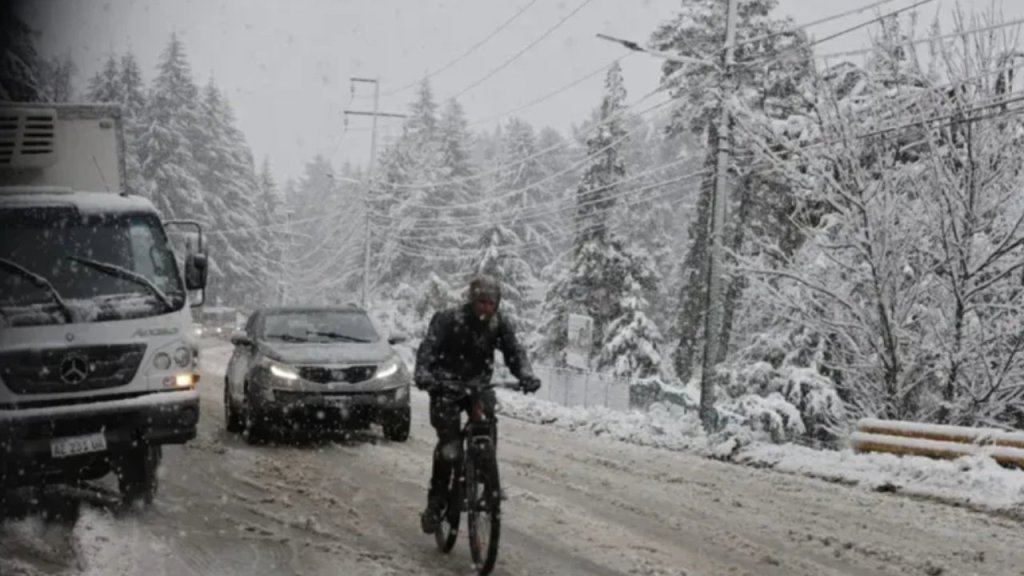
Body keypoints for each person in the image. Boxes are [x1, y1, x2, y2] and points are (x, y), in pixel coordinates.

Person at [414, 275, 541, 534]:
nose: (486, 308)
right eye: (481, 302)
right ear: (472, 300)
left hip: (478, 386)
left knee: (486, 426)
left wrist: (526, 375)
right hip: (445, 386)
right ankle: (436, 502)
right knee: (449, 446)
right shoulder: (448, 319)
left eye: (491, 303)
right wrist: (425, 374)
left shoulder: (498, 323)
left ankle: (485, 478)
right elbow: (428, 349)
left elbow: (514, 352)